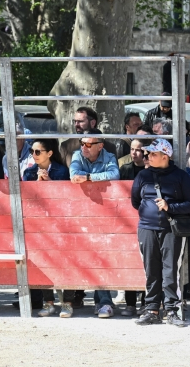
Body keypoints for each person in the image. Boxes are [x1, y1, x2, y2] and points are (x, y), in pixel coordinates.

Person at [132, 139, 190, 327]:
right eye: (149, 153)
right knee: (151, 270)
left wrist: (170, 207)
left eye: (153, 154)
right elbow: (136, 201)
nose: (148, 157)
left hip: (171, 229)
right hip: (147, 228)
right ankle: (152, 309)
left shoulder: (181, 176)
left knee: (171, 271)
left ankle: (172, 310)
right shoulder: (143, 176)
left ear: (165, 156)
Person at [69, 130, 119, 317]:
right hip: (79, 215)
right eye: (82, 143)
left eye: (89, 144)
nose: (84, 147)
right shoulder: (77, 155)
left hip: (104, 214)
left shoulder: (110, 156)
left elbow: (114, 174)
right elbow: (73, 174)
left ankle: (104, 301)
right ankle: (70, 300)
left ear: (100, 146)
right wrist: (97, 178)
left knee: (101, 257)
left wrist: (88, 178)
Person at [22, 139, 72, 317]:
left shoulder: (62, 171)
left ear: (49, 153)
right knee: (43, 262)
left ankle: (67, 302)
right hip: (39, 224)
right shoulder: (28, 172)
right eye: (32, 152)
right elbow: (28, 199)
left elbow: (66, 198)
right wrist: (37, 182)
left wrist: (49, 182)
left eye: (38, 152)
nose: (34, 155)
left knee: (66, 262)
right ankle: (49, 302)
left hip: (60, 224)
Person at [119, 139, 150, 316]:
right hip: (127, 219)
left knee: (148, 263)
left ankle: (146, 302)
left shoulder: (152, 171)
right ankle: (130, 303)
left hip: (145, 220)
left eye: (139, 150)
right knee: (130, 260)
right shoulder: (125, 169)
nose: (135, 153)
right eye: (132, 149)